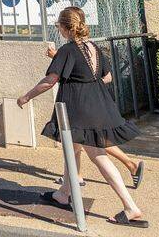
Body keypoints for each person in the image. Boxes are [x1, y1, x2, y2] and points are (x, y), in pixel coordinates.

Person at [17, 6, 147, 228]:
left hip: (79, 111)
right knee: (73, 149)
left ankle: (130, 207)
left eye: (58, 26)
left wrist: (26, 97)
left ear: (65, 28)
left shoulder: (67, 50)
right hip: (98, 106)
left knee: (98, 157)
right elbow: (107, 77)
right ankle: (64, 193)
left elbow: (50, 81)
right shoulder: (94, 48)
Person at [44, 42, 145, 190]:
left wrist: (57, 58)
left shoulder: (75, 49)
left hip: (83, 105)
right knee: (77, 143)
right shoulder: (92, 47)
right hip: (93, 102)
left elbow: (76, 75)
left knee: (92, 142)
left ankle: (130, 166)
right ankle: (74, 179)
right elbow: (106, 76)